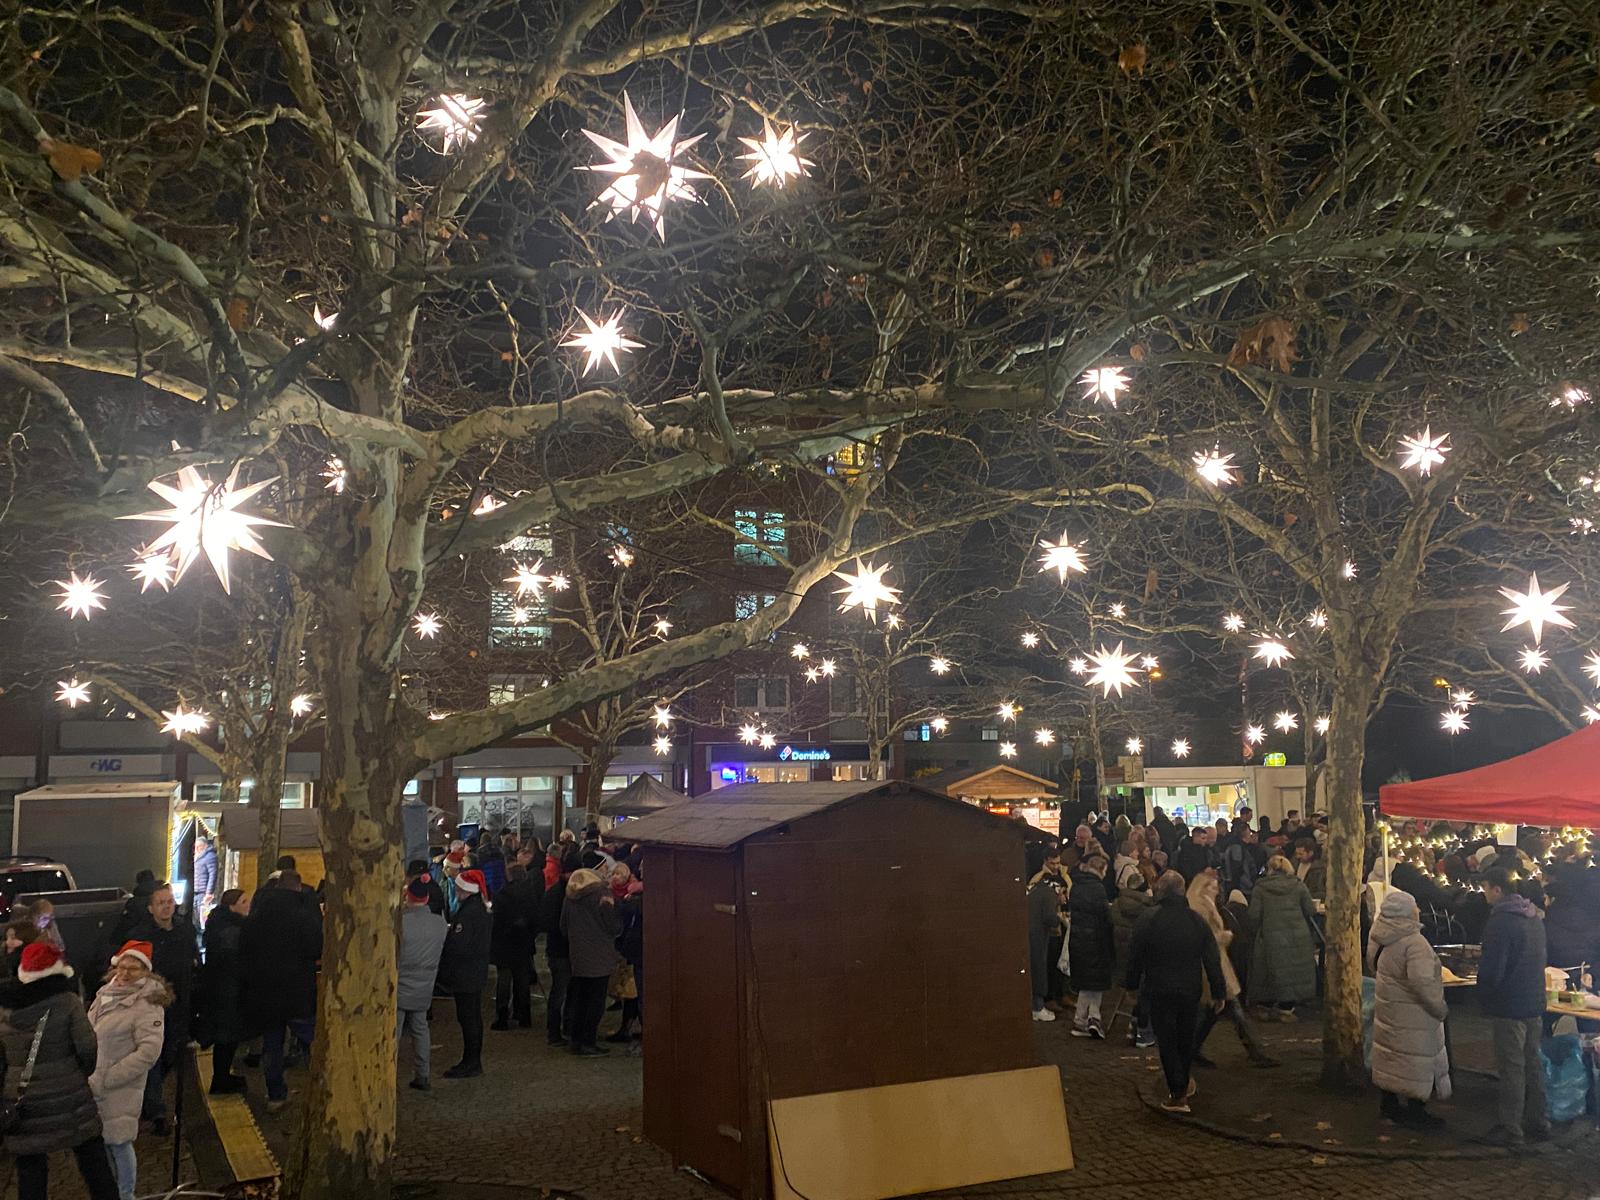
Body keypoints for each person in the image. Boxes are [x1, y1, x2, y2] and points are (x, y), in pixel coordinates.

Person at [0, 942, 120, 1200]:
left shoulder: (5, 1009)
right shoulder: (67, 1002)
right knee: (93, 1162)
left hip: (23, 1102)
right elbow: (87, 1047)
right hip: (70, 1097)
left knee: (30, 1170)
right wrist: (77, 1074)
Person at [1125, 872, 1225, 1114]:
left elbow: (1135, 954)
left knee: (1167, 1040)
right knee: (1185, 1037)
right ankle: (1182, 1084)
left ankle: (1177, 1092)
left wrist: (1131, 986)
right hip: (1189, 988)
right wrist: (1218, 991)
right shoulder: (1196, 921)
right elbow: (1212, 959)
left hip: (1159, 987)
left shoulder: (1149, 919)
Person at [88, 941, 172, 1199]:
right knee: (104, 1143)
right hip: (95, 1082)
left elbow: (149, 1052)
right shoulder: (105, 993)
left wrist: (109, 1077)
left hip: (119, 1085)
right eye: (122, 967)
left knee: (120, 1143)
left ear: (145, 972)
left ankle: (126, 1195)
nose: (125, 973)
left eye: (133, 969)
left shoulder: (147, 1003)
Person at [1475, 867, 1550, 1146]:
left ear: (1497, 889)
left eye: (1485, 888)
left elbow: (1493, 969)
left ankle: (1511, 1127)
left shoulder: (1501, 922)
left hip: (1510, 1003)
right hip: (1533, 1000)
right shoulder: (1534, 918)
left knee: (1512, 1067)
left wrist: (1484, 994)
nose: (1483, 894)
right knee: (1532, 1062)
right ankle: (1539, 1120)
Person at [241, 871, 323, 1112]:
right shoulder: (304, 916)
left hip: (267, 992)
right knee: (313, 1039)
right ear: (298, 888)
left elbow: (246, 949)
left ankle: (275, 1094)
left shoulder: (257, 915)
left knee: (272, 1045)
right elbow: (315, 949)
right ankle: (323, 1089)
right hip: (298, 990)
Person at [1367, 891, 1449, 1128]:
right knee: (1414, 1059)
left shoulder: (1378, 937)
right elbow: (1422, 982)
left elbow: (1374, 967)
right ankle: (1416, 1112)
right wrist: (1439, 1007)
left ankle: (1389, 1105)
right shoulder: (1414, 943)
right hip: (1414, 1014)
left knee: (1392, 1055)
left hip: (1389, 1008)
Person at [127, 882, 197, 1133]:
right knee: (153, 1056)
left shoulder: (185, 929)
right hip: (152, 1005)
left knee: (170, 1052)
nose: (167, 906)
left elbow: (192, 961)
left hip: (179, 1003)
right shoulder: (141, 935)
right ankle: (156, 1110)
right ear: (150, 908)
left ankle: (149, 1097)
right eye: (161, 903)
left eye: (169, 901)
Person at [1187, 874, 1277, 1068]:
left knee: (1212, 1013)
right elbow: (1204, 939)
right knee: (1231, 1011)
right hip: (1212, 967)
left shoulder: (1203, 906)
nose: (1217, 890)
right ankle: (1255, 1052)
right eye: (1212, 886)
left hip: (1215, 966)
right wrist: (1223, 937)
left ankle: (1193, 1050)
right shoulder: (1200, 909)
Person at [1248, 855, 1319, 1021]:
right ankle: (1286, 1009)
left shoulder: (1260, 888)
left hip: (1270, 934)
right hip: (1297, 935)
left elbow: (1254, 915)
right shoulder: (1298, 885)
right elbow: (1310, 909)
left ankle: (1265, 1006)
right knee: (1293, 971)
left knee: (1268, 970)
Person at [560, 865, 621, 1056]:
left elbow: (563, 926)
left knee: (580, 999)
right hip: (600, 955)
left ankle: (575, 1039)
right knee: (595, 1002)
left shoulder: (570, 896)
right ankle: (588, 1042)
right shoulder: (602, 895)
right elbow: (613, 927)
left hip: (578, 955)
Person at [438, 869, 492, 1077]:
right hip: (475, 970)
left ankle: (471, 1062)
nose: (456, 891)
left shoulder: (469, 913)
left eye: (459, 888)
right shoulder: (480, 909)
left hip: (465, 973)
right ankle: (472, 1059)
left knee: (468, 1018)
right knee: (473, 1017)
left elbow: (458, 946)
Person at [397, 873, 446, 1091]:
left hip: (399, 984)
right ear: (426, 898)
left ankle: (387, 1075)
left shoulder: (400, 924)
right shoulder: (439, 924)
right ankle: (423, 1074)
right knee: (420, 1028)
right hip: (425, 983)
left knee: (394, 1032)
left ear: (407, 896)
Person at [201, 888, 249, 1094]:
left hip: (223, 989)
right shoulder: (232, 930)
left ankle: (222, 1077)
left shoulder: (220, 924)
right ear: (232, 906)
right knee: (226, 1037)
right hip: (228, 991)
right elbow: (234, 961)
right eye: (244, 901)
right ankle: (220, 1079)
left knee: (227, 1037)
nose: (249, 905)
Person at [1066, 855, 1115, 1038]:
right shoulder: (1098, 888)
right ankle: (1082, 1021)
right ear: (1101, 869)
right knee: (1093, 984)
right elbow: (1104, 917)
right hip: (1096, 941)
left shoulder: (1077, 886)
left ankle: (1094, 1018)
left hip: (1079, 939)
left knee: (1089, 982)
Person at [490, 864, 540, 1030]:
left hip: (505, 944)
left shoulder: (501, 896)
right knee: (522, 980)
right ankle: (523, 1016)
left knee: (504, 981)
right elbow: (535, 921)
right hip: (523, 943)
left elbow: (496, 923)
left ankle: (502, 1017)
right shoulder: (530, 895)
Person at [1110, 873, 1157, 1047]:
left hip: (1121, 962)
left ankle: (1134, 1024)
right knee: (1146, 991)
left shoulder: (1116, 904)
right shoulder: (1147, 909)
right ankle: (1142, 1028)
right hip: (1139, 962)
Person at [540, 846, 579, 1045]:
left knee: (563, 991)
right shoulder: (566, 896)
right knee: (561, 991)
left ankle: (561, 1029)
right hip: (562, 951)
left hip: (558, 949)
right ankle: (557, 1031)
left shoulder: (554, 892)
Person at [609, 863, 645, 1043]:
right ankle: (629, 1027)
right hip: (633, 951)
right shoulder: (635, 894)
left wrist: (616, 903)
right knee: (633, 993)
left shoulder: (636, 898)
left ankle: (634, 1029)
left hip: (636, 951)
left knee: (637, 993)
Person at [1026, 859, 1063, 1023]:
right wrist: (1058, 919)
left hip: (1028, 933)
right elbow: (1049, 917)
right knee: (1039, 968)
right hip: (1038, 936)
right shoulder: (1049, 894)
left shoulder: (1035, 890)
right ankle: (1038, 1007)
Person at [193, 837, 218, 920]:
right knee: (196, 916)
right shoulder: (198, 856)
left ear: (205, 846)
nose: (196, 849)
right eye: (195, 847)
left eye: (199, 847)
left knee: (203, 917)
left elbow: (212, 875)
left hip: (203, 892)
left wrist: (209, 893)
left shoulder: (210, 856)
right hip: (196, 891)